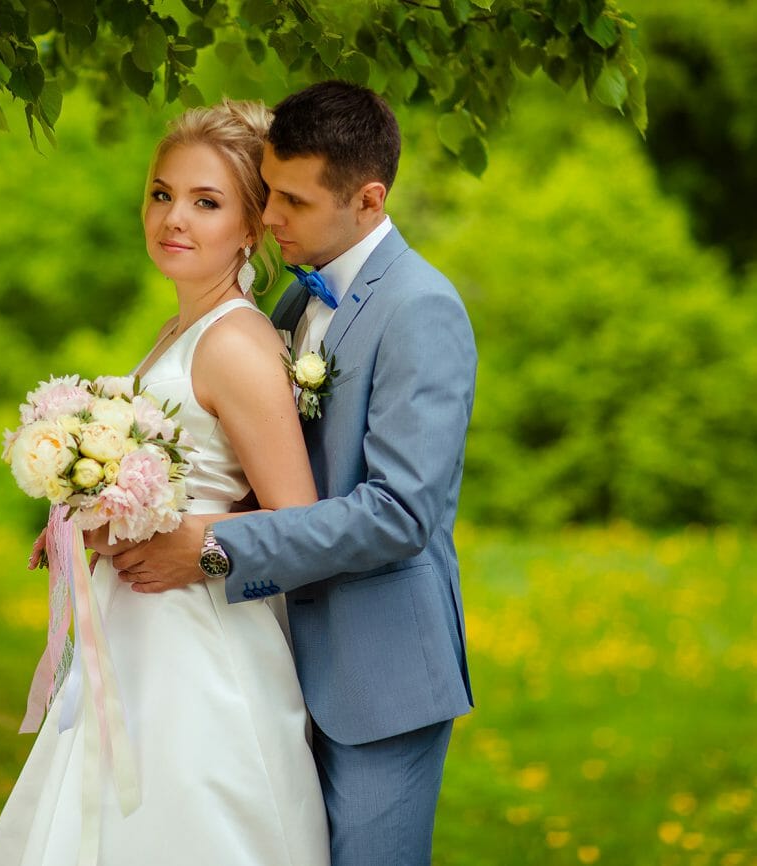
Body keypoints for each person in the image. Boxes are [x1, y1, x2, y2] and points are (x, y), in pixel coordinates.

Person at [113, 81, 478, 866]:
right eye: (268, 192)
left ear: (368, 200)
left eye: (293, 201)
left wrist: (212, 548)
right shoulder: (287, 307)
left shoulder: (423, 308)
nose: (269, 216)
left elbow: (397, 514)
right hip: (277, 652)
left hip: (377, 672)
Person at [0, 100, 330, 865]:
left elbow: (299, 521)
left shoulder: (235, 341)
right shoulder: (183, 327)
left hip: (197, 648)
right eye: (163, 194)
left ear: (250, 225)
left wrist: (188, 542)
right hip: (139, 634)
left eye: (207, 202)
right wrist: (90, 512)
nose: (174, 217)